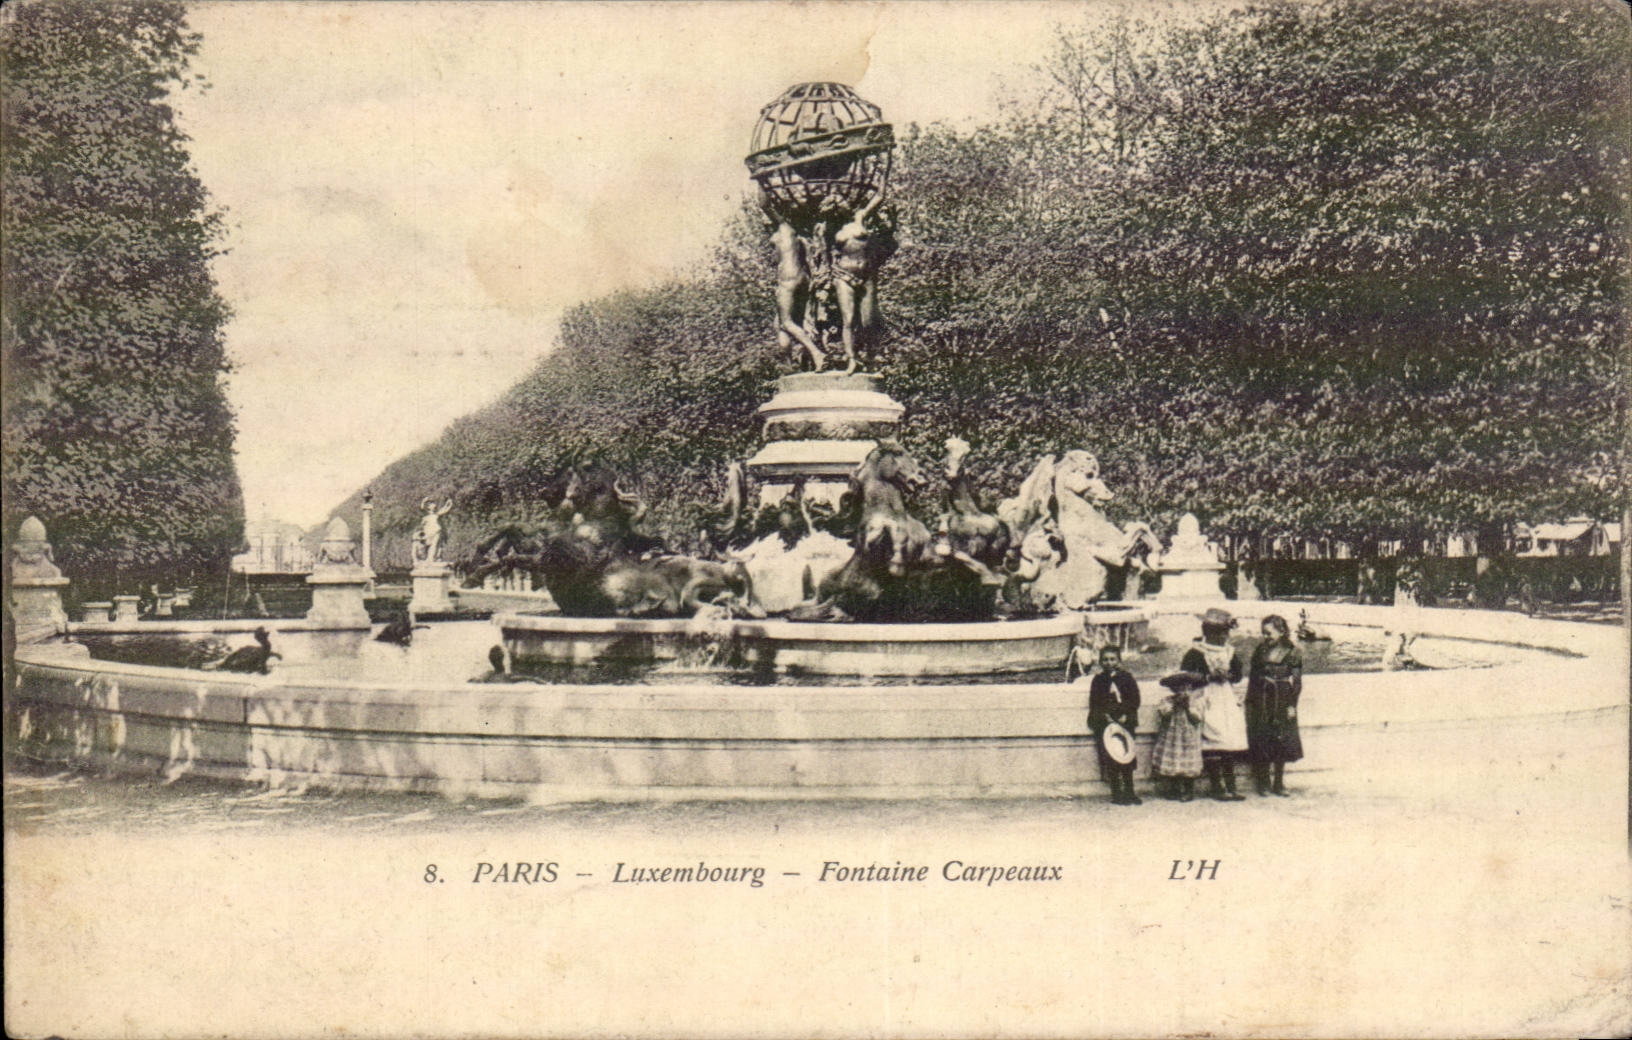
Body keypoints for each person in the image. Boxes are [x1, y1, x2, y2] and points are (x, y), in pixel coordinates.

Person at [1182, 607, 1247, 801]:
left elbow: (1238, 674)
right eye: (1222, 633)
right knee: (1212, 738)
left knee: (1227, 738)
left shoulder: (1229, 652)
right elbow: (1185, 675)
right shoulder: (1196, 652)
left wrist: (1229, 675)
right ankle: (1216, 785)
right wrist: (1208, 676)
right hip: (1206, 697)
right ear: (1209, 633)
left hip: (1225, 697)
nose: (1226, 636)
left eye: (1226, 632)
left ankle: (1231, 785)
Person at [1247, 614, 1304, 796]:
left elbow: (1296, 682)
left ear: (1281, 632)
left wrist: (1291, 706)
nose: (1265, 637)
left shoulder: (1292, 651)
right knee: (1262, 738)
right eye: (1263, 633)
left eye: (1269, 633)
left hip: (1282, 698)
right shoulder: (1260, 650)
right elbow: (1252, 677)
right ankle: (1264, 782)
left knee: (1281, 740)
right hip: (1262, 698)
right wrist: (1251, 700)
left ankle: (1279, 782)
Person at [1083, 644, 1142, 805]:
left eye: (1112, 659)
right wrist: (1105, 716)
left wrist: (1125, 714)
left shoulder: (1127, 678)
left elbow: (1135, 699)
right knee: (1112, 757)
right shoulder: (1098, 680)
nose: (1109, 663)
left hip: (1125, 721)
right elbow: (1094, 702)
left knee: (1127, 756)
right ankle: (1117, 793)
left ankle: (1130, 792)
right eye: (1105, 660)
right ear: (1101, 662)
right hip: (1106, 722)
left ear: (1119, 660)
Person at [1150, 670, 1206, 801]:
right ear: (1174, 689)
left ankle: (1188, 790)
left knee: (1188, 765)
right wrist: (1175, 705)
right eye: (1180, 688)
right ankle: (1174, 789)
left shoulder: (1195, 702)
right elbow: (1165, 714)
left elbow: (1197, 719)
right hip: (1172, 737)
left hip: (1189, 738)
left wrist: (1187, 707)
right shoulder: (1167, 701)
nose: (1184, 691)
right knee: (1174, 763)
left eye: (1187, 688)